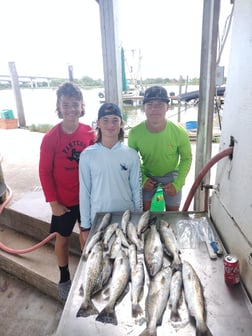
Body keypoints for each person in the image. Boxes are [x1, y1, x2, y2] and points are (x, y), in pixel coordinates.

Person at [39, 82, 95, 302]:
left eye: (75, 104)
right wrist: (53, 202)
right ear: (59, 107)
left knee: (86, 236)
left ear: (82, 106)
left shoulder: (89, 132)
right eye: (66, 104)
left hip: (87, 199)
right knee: (62, 239)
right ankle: (64, 277)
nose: (71, 109)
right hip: (63, 201)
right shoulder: (51, 137)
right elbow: (44, 172)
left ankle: (88, 272)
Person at [79, 102, 142, 243]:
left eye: (115, 120)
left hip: (126, 216)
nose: (110, 125)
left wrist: (137, 217)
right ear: (98, 124)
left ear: (121, 124)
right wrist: (85, 226)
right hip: (99, 218)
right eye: (105, 120)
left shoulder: (131, 154)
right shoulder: (87, 155)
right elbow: (84, 192)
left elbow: (136, 189)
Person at [128, 85, 192, 211]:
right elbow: (132, 162)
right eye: (150, 104)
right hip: (147, 174)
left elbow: (186, 158)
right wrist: (143, 180)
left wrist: (178, 183)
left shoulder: (179, 132)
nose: (154, 109)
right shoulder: (134, 133)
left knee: (172, 214)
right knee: (143, 212)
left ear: (168, 107)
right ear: (143, 108)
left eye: (160, 105)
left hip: (171, 173)